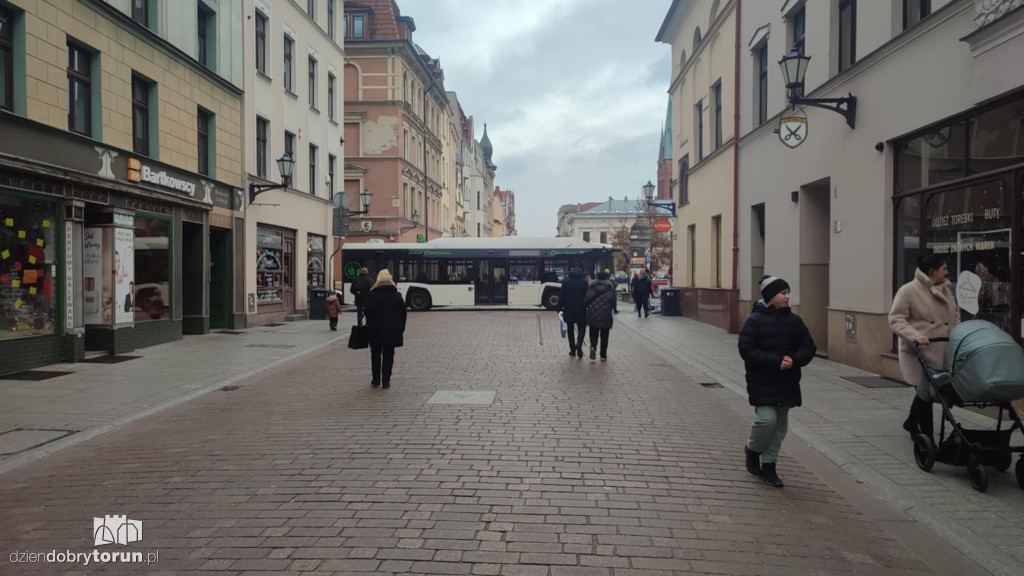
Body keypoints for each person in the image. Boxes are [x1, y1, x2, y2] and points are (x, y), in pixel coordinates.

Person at [739, 275, 816, 488]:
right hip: (762, 380)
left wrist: (795, 360)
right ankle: (753, 450)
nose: (787, 296)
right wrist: (775, 362)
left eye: (787, 292)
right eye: (783, 293)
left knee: (780, 426)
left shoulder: (794, 321)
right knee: (766, 420)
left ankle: (769, 466)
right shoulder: (754, 320)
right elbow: (746, 349)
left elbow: (808, 347)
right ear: (771, 296)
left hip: (787, 382)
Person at [888, 253, 959, 441]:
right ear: (932, 271)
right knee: (925, 395)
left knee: (925, 393)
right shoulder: (908, 291)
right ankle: (927, 437)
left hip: (942, 349)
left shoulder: (946, 290)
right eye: (944, 268)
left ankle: (911, 422)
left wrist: (957, 331)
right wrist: (915, 336)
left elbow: (954, 315)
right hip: (919, 351)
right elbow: (895, 319)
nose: (947, 272)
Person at [364, 269, 407, 389]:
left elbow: (367, 311)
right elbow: (403, 314)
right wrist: (401, 328)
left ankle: (376, 379)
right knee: (389, 354)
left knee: (375, 353)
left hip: (375, 330)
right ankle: (386, 380)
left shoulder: (372, 295)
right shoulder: (397, 295)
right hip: (392, 329)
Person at [584, 269, 617, 361]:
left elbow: (586, 301)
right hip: (606, 315)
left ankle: (593, 346)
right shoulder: (610, 289)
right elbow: (614, 304)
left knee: (593, 332)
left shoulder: (592, 287)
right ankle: (603, 355)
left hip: (593, 314)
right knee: (604, 335)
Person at [559, 267, 589, 358]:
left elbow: (562, 296)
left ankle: (572, 350)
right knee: (582, 328)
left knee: (570, 329)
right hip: (581, 309)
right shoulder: (584, 282)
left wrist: (559, 308)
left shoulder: (566, 281)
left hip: (568, 309)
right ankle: (579, 343)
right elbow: (587, 295)